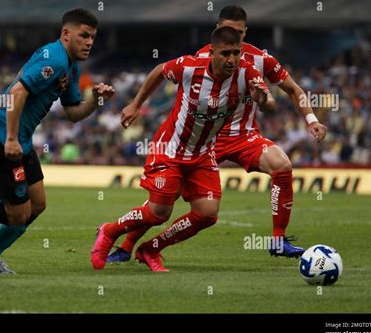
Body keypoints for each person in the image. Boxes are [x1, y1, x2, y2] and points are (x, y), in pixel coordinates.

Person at [108, 5, 328, 263]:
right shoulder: (204, 57)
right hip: (203, 139)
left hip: (244, 136)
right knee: (166, 198)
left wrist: (311, 119)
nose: (232, 37)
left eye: (238, 32)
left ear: (245, 33)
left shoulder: (261, 60)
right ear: (216, 31)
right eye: (226, 31)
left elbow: (293, 90)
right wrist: (137, 105)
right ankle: (127, 245)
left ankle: (278, 239)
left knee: (282, 165)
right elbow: (174, 83)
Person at [0, 8, 115, 273]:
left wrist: (97, 101)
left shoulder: (70, 66)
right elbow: (16, 93)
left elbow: (74, 113)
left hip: (22, 142)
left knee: (37, 205)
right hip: (3, 142)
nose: (89, 42)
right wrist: (10, 139)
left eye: (93, 37)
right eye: (84, 35)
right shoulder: (54, 59)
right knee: (17, 215)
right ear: (66, 34)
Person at [92, 26, 275, 272]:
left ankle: (151, 249)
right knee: (159, 212)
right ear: (212, 52)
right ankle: (109, 230)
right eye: (225, 54)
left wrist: (262, 100)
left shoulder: (247, 72)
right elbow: (158, 71)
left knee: (207, 214)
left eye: (236, 53)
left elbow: (269, 103)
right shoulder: (189, 67)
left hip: (202, 153)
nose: (231, 60)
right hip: (170, 150)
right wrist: (136, 105)